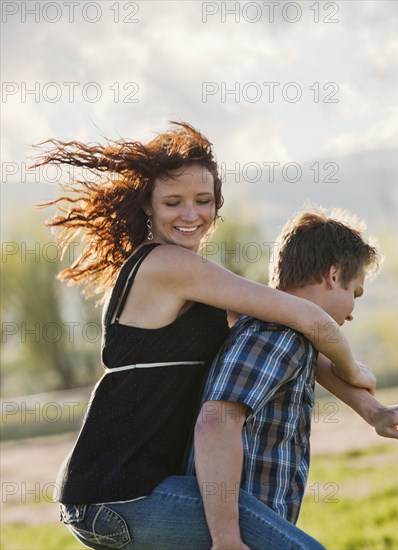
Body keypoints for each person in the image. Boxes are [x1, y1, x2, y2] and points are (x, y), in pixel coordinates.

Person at [33, 122, 377, 549]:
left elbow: (286, 334)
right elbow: (308, 317)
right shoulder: (168, 266)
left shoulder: (195, 278)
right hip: (119, 493)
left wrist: (371, 411)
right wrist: (353, 368)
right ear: (149, 207)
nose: (190, 214)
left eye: (203, 201)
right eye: (173, 202)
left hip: (120, 493)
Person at [191, 208, 398, 549]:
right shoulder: (276, 336)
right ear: (333, 275)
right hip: (240, 520)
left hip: (255, 516)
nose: (351, 312)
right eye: (355, 293)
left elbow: (319, 363)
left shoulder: (287, 335)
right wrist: (226, 539)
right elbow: (216, 422)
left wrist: (376, 412)